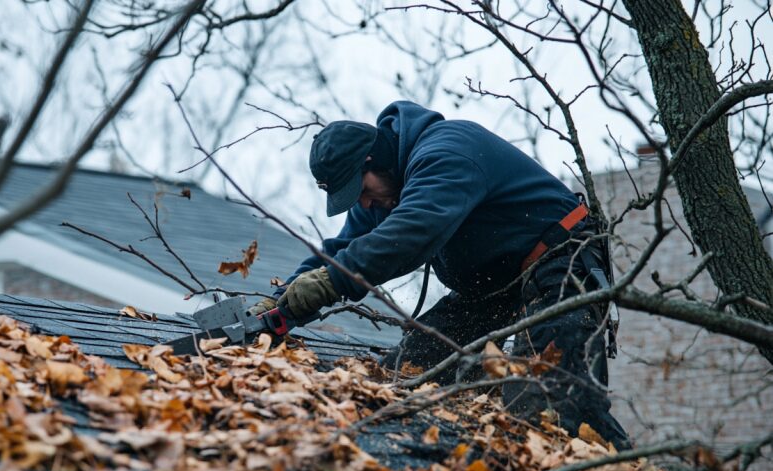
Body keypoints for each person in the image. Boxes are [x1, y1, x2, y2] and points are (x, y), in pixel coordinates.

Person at [249, 101, 631, 449]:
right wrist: (283, 300)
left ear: (374, 159)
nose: (364, 203)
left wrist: (331, 284)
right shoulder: (384, 191)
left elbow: (411, 232)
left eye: (361, 190)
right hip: (492, 284)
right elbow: (339, 249)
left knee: (556, 409)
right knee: (411, 373)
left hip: (561, 264)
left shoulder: (447, 152)